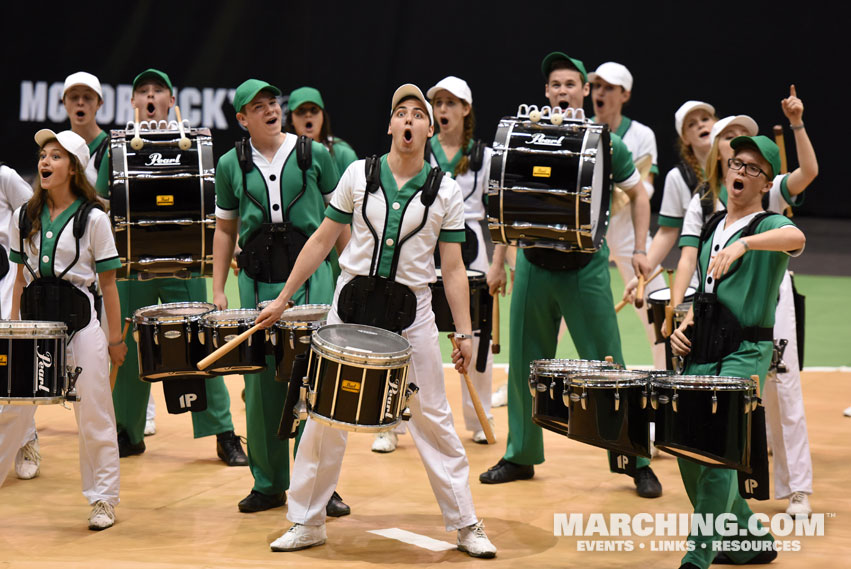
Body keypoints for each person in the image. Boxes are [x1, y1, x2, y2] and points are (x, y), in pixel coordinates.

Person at [255, 83, 497, 558]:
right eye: (400, 113)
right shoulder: (356, 174)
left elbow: (451, 269)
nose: (409, 120)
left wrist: (464, 333)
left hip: (413, 316)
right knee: (324, 415)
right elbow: (322, 241)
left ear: (429, 127)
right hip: (349, 309)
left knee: (434, 420)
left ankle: (466, 523)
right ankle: (307, 521)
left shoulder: (445, 191)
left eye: (418, 114)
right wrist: (283, 298)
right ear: (390, 124)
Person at [480, 51, 662, 499]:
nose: (562, 91)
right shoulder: (525, 137)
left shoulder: (603, 141)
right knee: (524, 365)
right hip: (534, 268)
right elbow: (508, 200)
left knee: (608, 366)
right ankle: (521, 455)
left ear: (585, 91)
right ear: (546, 92)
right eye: (555, 84)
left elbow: (638, 195)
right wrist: (499, 259)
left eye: (570, 84)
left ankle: (634, 459)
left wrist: (640, 248)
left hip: (586, 269)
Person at [674, 87, 818, 517]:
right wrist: (679, 313)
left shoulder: (766, 195)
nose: (739, 149)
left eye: (746, 140)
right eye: (731, 140)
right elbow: (688, 258)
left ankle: (797, 489)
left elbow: (806, 181)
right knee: (700, 427)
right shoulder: (705, 203)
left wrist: (796, 124)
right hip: (714, 317)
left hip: (768, 303)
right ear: (718, 152)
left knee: (784, 387)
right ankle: (738, 527)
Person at [212, 78, 349, 516]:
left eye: (273, 102)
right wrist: (218, 288)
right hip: (255, 283)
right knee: (261, 383)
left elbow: (339, 224)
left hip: (313, 283)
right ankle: (268, 483)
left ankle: (320, 487)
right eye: (258, 106)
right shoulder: (230, 164)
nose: (270, 109)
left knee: (315, 381)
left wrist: (350, 277)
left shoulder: (316, 155)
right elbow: (224, 230)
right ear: (242, 119)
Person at [108, 69, 247, 466]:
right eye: (143, 92)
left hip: (184, 269)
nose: (150, 98)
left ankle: (224, 434)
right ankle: (128, 432)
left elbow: (213, 205)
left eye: (158, 92)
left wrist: (231, 248)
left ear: (171, 101)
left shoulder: (192, 144)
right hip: (131, 269)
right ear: (133, 103)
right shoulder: (117, 148)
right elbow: (103, 203)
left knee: (200, 348)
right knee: (130, 355)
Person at [0, 129, 127, 530]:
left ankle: (103, 499)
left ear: (74, 167)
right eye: (42, 154)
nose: (44, 162)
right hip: (37, 326)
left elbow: (108, 286)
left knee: (95, 414)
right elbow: (19, 279)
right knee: (13, 408)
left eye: (55, 156)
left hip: (83, 323)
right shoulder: (25, 216)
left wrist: (115, 340)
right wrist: (16, 332)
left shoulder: (96, 219)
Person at [370, 76, 496, 453]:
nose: (442, 111)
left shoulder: (484, 155)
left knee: (475, 336)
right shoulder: (419, 147)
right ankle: (391, 424)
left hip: (471, 252)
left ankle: (478, 417)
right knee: (402, 334)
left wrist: (500, 262)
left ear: (466, 109)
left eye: (451, 104)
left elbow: (497, 212)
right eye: (437, 104)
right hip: (422, 250)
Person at [589, 61, 667, 369]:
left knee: (656, 308)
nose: (600, 93)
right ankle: (528, 376)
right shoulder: (583, 126)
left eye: (609, 88)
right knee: (556, 316)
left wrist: (618, 198)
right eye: (596, 86)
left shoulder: (641, 135)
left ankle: (667, 374)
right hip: (587, 232)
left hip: (629, 234)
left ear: (625, 94)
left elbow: (646, 186)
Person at [620, 101, 718, 321]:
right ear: (685, 138)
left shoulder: (738, 166)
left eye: (705, 119)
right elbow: (667, 232)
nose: (701, 125)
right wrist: (643, 274)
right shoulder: (678, 178)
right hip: (699, 276)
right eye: (692, 124)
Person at [284, 86, 357, 282]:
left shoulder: (343, 154)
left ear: (323, 115)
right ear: (291, 118)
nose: (308, 116)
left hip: (339, 242)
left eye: (314, 111)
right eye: (301, 111)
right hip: (295, 244)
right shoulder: (282, 157)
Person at [0, 162, 35, 479]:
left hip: (7, 281)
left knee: (13, 369)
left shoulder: (4, 177)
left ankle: (27, 439)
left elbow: (33, 217)